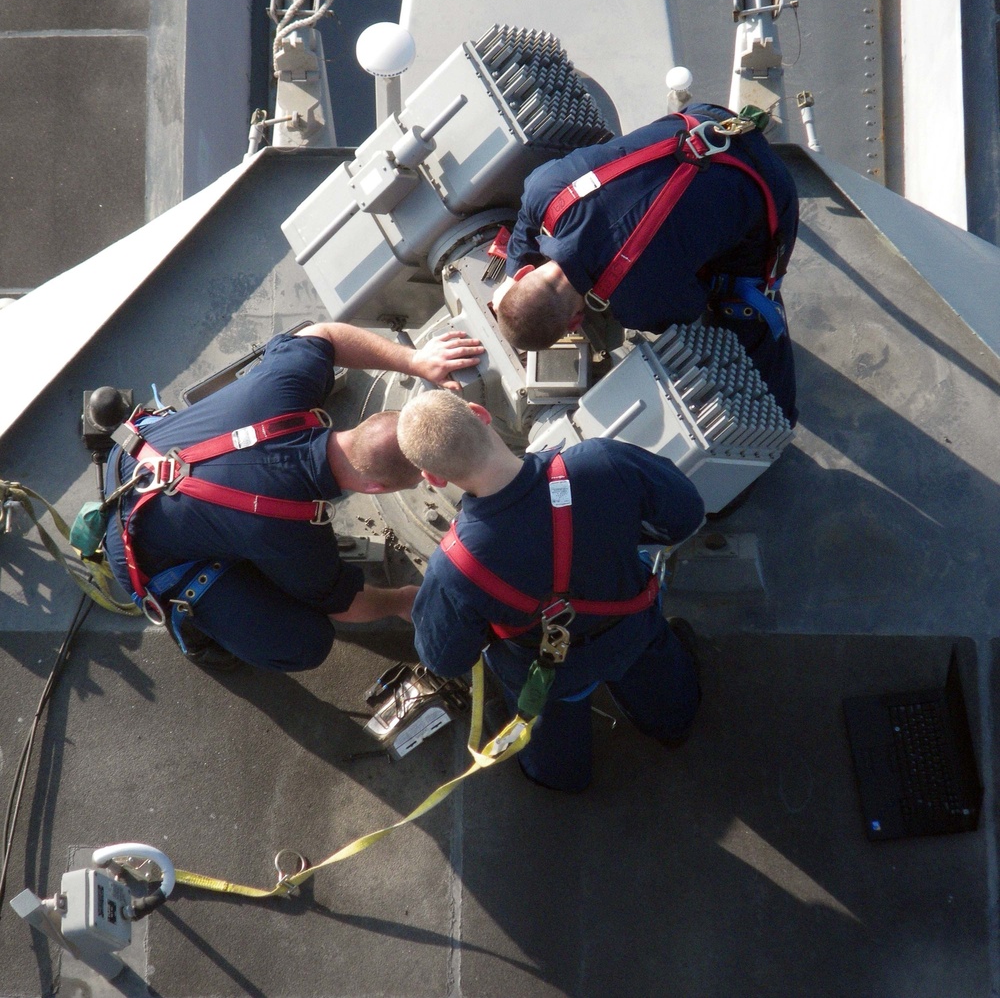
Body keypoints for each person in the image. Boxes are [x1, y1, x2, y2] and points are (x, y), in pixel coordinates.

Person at [102, 323, 483, 672]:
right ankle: (200, 624)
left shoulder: (284, 388)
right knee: (305, 643)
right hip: (136, 551)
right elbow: (345, 605)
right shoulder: (290, 531)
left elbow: (324, 335)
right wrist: (402, 600)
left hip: (130, 453)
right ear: (375, 488)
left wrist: (416, 360)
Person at [397, 391, 705, 793]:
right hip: (633, 629)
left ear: (434, 478)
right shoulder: (602, 462)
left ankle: (562, 777)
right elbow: (685, 515)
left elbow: (446, 657)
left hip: (548, 671)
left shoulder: (456, 565)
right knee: (664, 686)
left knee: (548, 727)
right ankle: (673, 726)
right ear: (480, 413)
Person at [496, 104, 800, 422]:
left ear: (574, 323)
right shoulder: (544, 191)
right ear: (526, 273)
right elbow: (526, 222)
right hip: (710, 120)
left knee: (738, 305)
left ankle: (779, 415)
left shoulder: (639, 305)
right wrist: (511, 270)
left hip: (767, 183)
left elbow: (694, 305)